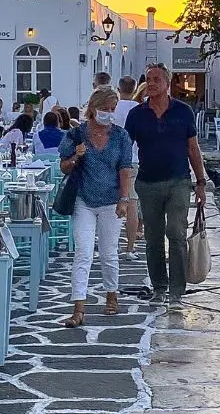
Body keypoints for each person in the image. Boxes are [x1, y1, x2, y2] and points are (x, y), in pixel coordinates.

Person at [126, 64, 208, 307]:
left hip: (179, 182)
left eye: (156, 79)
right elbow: (123, 146)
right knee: (152, 238)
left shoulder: (183, 111)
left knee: (176, 232)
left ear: (167, 83)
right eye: (148, 79)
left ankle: (176, 291)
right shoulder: (137, 114)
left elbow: (193, 148)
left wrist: (200, 182)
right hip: (148, 183)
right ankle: (159, 287)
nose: (151, 83)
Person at [58, 86, 133, 327]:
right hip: (84, 200)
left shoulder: (121, 136)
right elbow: (64, 167)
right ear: (93, 108)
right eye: (105, 109)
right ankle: (78, 307)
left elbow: (124, 169)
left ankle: (112, 294)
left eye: (112, 109)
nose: (109, 114)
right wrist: (75, 157)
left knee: (109, 253)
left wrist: (124, 199)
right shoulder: (76, 135)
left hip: (111, 201)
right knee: (83, 252)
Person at [112, 76, 141, 252]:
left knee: (110, 204)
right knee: (132, 205)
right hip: (135, 159)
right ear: (135, 88)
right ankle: (130, 247)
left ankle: (111, 244)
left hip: (113, 159)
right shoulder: (140, 109)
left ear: (119, 88)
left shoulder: (112, 108)